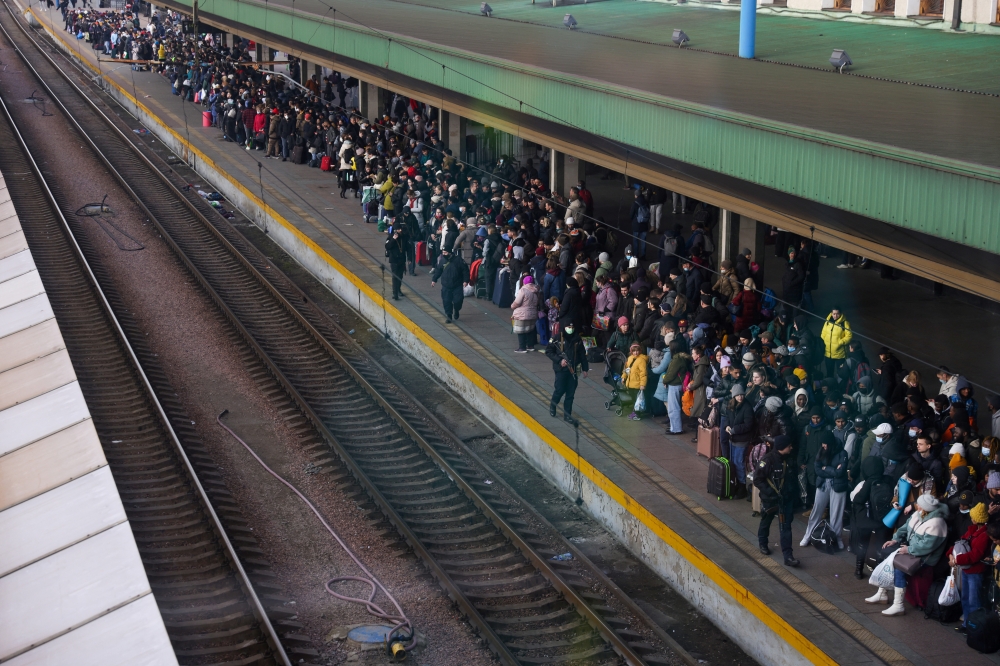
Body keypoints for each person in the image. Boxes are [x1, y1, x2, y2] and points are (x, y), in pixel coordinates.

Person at [872, 494, 949, 616]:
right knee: (888, 559)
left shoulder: (937, 523)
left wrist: (909, 549)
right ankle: (882, 593)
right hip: (912, 551)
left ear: (924, 508)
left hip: (925, 558)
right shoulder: (918, 514)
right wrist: (895, 539)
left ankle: (898, 605)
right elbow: (904, 528)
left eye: (918, 504)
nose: (916, 505)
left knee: (898, 569)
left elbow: (927, 546)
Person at [754, 435, 800, 567]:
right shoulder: (767, 460)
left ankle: (788, 556)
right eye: (788, 446)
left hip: (786, 499)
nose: (791, 448)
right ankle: (763, 543)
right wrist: (770, 492)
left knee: (786, 527)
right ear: (781, 447)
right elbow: (758, 479)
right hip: (771, 499)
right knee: (766, 521)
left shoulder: (789, 459)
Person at [800, 435, 849, 550]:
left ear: (831, 444)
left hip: (837, 485)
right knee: (816, 510)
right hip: (823, 484)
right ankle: (808, 535)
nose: (823, 446)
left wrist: (825, 468)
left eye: (825, 444)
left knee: (836, 513)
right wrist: (832, 470)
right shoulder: (822, 450)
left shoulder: (843, 453)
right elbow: (817, 469)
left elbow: (840, 472)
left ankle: (837, 538)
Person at [948, 502, 991, 633]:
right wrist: (950, 554)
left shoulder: (983, 535)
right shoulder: (972, 530)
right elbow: (960, 543)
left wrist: (956, 559)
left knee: (974, 601)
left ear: (976, 519)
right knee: (966, 598)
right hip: (966, 570)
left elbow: (975, 555)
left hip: (975, 572)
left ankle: (974, 628)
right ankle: (967, 623)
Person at [849, 457, 894, 579]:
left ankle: (858, 570)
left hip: (868, 520)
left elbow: (857, 500)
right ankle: (877, 573)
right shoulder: (888, 481)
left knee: (862, 544)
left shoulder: (867, 483)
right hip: (883, 520)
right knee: (881, 547)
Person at [546, 322, 589, 424]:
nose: (570, 329)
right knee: (559, 390)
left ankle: (567, 414)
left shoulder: (577, 339)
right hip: (561, 370)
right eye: (568, 327)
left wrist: (585, 368)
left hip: (573, 370)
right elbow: (548, 351)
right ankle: (553, 405)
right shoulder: (557, 338)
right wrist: (559, 360)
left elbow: (582, 354)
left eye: (572, 327)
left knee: (570, 393)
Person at [726, 384, 754, 498]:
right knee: (733, 462)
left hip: (742, 439)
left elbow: (748, 425)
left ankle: (742, 486)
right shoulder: (731, 405)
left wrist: (734, 430)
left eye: (741, 395)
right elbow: (728, 418)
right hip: (732, 438)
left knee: (739, 463)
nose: (740, 397)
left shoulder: (747, 407)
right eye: (737, 395)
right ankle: (736, 484)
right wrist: (727, 426)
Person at [430, 248, 468, 324]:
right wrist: (434, 280)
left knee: (458, 300)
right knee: (446, 301)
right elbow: (438, 270)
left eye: (445, 252)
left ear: (450, 253)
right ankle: (449, 315)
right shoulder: (442, 260)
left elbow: (465, 270)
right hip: (446, 285)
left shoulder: (458, 260)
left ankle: (456, 310)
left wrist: (466, 280)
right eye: (443, 253)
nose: (444, 254)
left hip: (457, 284)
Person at [661, 339, 690, 436]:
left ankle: (676, 429)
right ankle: (674, 427)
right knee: (674, 407)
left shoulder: (677, 359)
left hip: (674, 385)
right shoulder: (681, 357)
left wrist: (665, 381)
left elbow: (671, 373)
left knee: (674, 408)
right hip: (677, 384)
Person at [820, 307, 852, 379]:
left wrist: (840, 342)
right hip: (828, 354)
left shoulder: (844, 323)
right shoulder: (827, 322)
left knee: (841, 374)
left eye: (837, 314)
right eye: (834, 314)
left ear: (840, 314)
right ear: (831, 313)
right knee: (829, 373)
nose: (835, 316)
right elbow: (823, 334)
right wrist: (823, 343)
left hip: (840, 355)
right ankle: (829, 387)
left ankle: (840, 389)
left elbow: (849, 336)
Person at [510, 275, 540, 353]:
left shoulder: (523, 290)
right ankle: (530, 346)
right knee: (529, 330)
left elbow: (517, 302)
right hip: (532, 313)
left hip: (522, 314)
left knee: (521, 330)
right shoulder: (536, 290)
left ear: (524, 282)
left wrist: (512, 306)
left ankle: (522, 347)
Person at [623, 343, 649, 421]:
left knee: (637, 400)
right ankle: (635, 413)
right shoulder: (630, 358)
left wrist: (642, 384)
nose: (635, 353)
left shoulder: (641, 360)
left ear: (640, 351)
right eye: (634, 351)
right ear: (631, 351)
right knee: (635, 399)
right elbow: (626, 369)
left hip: (637, 384)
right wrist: (623, 377)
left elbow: (643, 374)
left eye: (637, 351)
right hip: (630, 383)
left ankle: (637, 414)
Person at [384, 226, 407, 300]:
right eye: (398, 229)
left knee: (400, 276)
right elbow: (387, 246)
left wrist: (409, 259)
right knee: (395, 276)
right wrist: (393, 239)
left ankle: (399, 289)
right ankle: (395, 293)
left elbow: (407, 248)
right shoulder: (390, 237)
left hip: (401, 260)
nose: (400, 230)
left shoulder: (403, 237)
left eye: (400, 229)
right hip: (394, 260)